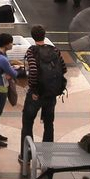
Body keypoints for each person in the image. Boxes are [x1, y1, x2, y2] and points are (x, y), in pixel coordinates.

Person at [20, 24, 65, 160]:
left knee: (27, 122)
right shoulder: (55, 50)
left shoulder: (31, 51)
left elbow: (33, 71)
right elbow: (63, 68)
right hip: (51, 93)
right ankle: (47, 155)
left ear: (33, 37)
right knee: (49, 123)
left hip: (36, 94)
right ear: (44, 35)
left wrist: (33, 89)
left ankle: (26, 155)